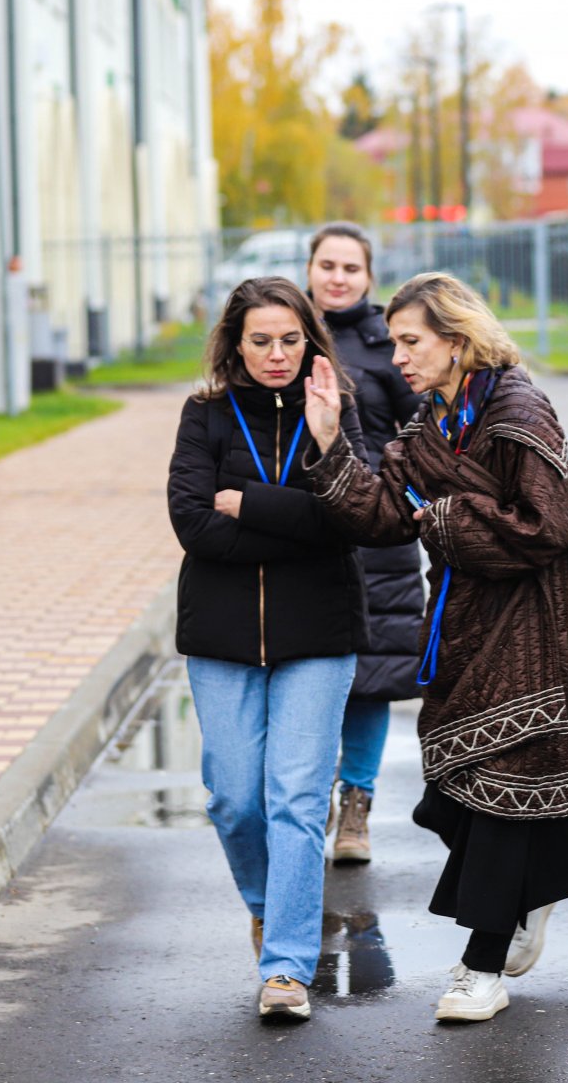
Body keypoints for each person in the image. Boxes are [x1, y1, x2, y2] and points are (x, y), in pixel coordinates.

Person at [301, 272, 568, 1024]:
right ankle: (536, 890)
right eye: (394, 341)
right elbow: (382, 515)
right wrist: (332, 442)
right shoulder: (432, 420)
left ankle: (481, 965)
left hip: (533, 630)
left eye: (411, 341)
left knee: (501, 795)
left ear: (457, 340)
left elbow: (547, 525)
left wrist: (447, 516)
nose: (398, 355)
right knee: (457, 799)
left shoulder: (518, 410)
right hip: (464, 626)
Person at [166, 276, 367, 1022]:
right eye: (261, 341)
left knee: (296, 798)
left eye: (290, 340)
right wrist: (300, 522)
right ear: (235, 343)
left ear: (309, 338)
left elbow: (352, 518)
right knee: (233, 796)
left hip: (317, 634)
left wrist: (249, 502)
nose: (277, 355)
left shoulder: (338, 410)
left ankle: (285, 966)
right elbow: (191, 522)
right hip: (221, 636)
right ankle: (265, 903)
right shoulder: (205, 415)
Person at [305, 222, 425, 864]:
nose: (338, 277)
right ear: (310, 269)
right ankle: (312, 790)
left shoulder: (392, 346)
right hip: (310, 528)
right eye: (327, 265)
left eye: (350, 267)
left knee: (373, 677)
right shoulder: (288, 338)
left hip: (380, 531)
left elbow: (423, 432)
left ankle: (356, 807)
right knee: (313, 671)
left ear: (369, 278)